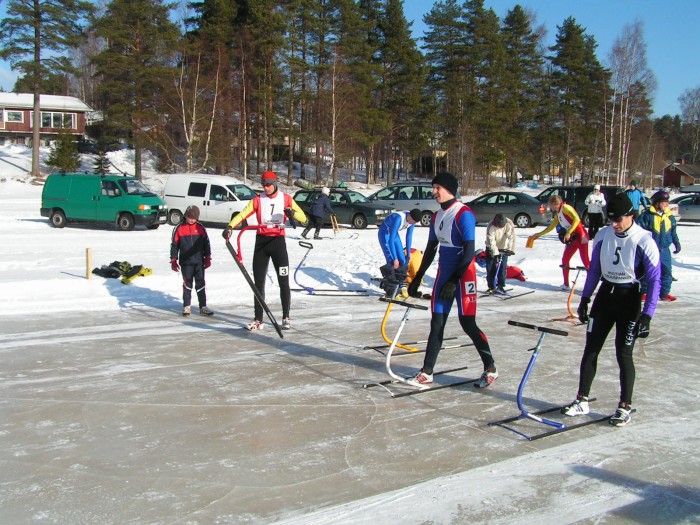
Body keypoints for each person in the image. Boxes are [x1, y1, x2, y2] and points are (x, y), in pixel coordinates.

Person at [562, 192, 661, 427]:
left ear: (631, 215)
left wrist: (648, 314)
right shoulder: (603, 235)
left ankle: (624, 406)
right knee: (591, 349)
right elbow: (595, 269)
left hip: (629, 300)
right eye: (611, 220)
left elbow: (655, 280)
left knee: (623, 354)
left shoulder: (644, 240)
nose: (614, 225)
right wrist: (585, 299)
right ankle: (582, 399)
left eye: (619, 220)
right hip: (605, 297)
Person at [406, 172, 498, 389]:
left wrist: (454, 280)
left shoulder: (463, 214)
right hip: (443, 275)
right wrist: (417, 278)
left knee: (467, 323)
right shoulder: (437, 217)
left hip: (463, 276)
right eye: (433, 187)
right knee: (437, 323)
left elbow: (468, 253)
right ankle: (427, 372)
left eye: (437, 187)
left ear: (449, 189)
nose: (434, 191)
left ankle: (491, 367)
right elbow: (430, 250)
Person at [222, 171, 307, 331]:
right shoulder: (257, 200)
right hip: (261, 243)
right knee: (258, 283)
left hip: (278, 242)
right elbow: (242, 214)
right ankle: (258, 319)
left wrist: (291, 213)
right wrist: (230, 227)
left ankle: (286, 317)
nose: (265, 187)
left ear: (274, 184)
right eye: (263, 184)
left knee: (284, 281)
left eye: (268, 184)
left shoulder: (286, 198)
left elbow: (304, 218)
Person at [528, 195, 590, 290]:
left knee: (585, 261)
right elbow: (551, 227)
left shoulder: (566, 208)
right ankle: (566, 284)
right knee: (565, 259)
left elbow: (577, 219)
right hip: (573, 238)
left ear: (554, 204)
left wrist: (568, 232)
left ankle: (591, 284)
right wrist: (539, 234)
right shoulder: (558, 213)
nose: (550, 207)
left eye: (550, 205)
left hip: (582, 237)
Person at [637, 190, 681, 302]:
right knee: (649, 271)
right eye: (664, 202)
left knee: (667, 272)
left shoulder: (669, 217)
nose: (667, 204)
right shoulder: (647, 216)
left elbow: (673, 232)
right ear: (657, 203)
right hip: (651, 249)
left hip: (665, 249)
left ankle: (664, 293)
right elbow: (637, 231)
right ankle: (645, 292)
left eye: (667, 202)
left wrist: (677, 243)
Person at [170, 205, 213, 317]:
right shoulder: (179, 228)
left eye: (194, 218)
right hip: (186, 262)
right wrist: (173, 260)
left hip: (199, 261)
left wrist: (207, 257)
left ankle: (203, 306)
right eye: (190, 217)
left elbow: (206, 244)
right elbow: (174, 245)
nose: (192, 220)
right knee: (187, 284)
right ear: (186, 216)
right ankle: (187, 305)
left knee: (201, 284)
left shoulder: (200, 228)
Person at [377, 208, 422, 298]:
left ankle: (400, 286)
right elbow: (390, 241)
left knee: (403, 261)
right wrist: (394, 259)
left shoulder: (412, 221)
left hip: (394, 235)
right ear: (409, 216)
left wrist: (408, 255)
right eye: (412, 221)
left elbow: (409, 237)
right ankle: (391, 290)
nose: (412, 224)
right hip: (385, 234)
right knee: (392, 262)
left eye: (414, 223)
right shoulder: (399, 218)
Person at [484, 213, 515, 295]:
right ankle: (491, 286)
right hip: (491, 247)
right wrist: (495, 253)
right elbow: (491, 241)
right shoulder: (491, 226)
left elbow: (511, 237)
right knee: (490, 267)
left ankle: (501, 285)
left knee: (503, 267)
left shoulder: (509, 224)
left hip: (503, 247)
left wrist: (510, 249)